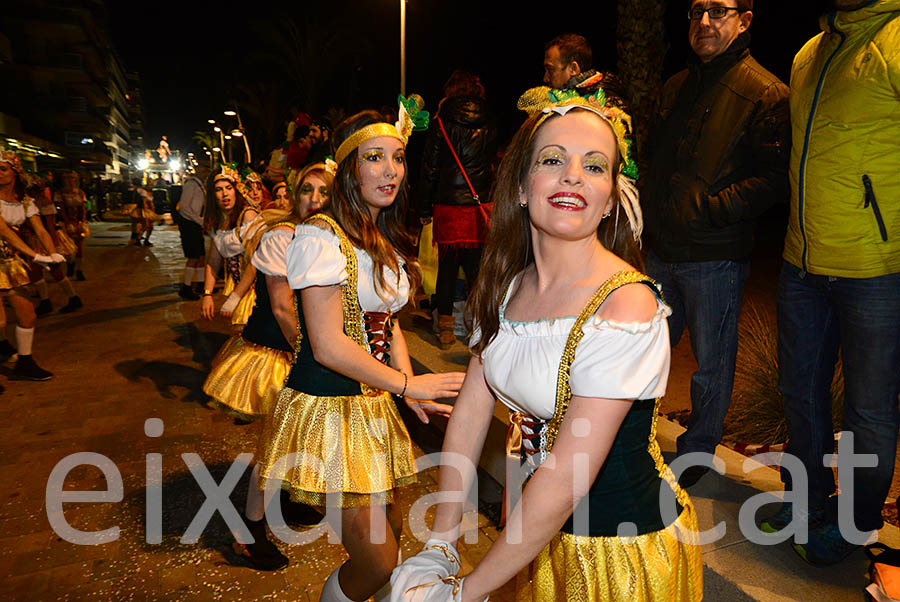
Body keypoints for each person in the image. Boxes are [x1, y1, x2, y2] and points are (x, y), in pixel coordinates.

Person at [392, 86, 702, 601]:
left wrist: (461, 594)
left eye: (595, 166)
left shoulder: (625, 305)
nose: (573, 175)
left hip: (616, 554)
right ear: (519, 186)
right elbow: (471, 412)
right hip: (535, 537)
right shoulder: (509, 286)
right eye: (553, 159)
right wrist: (442, 539)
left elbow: (564, 480)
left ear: (609, 200)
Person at [242, 106, 465, 599]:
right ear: (348, 169)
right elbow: (325, 345)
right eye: (375, 158)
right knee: (377, 560)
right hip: (328, 410)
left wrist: (409, 389)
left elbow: (390, 329)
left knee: (390, 546)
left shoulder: (382, 237)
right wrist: (408, 384)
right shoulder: (320, 236)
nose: (391, 170)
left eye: (399, 158)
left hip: (372, 406)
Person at [764, 0, 900, 566]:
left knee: (868, 410)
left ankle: (860, 525)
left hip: (875, 267)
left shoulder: (895, 40)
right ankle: (809, 504)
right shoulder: (807, 54)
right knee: (801, 394)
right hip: (802, 261)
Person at [640, 0, 790, 487]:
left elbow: (772, 179)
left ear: (745, 20)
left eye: (717, 11)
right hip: (660, 251)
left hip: (714, 257)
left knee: (712, 365)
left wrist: (711, 209)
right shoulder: (676, 87)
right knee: (644, 353)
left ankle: (697, 452)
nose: (703, 22)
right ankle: (632, 438)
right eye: (696, 11)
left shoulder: (766, 92)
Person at [204, 162, 333, 427]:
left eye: (325, 190)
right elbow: (282, 308)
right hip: (281, 345)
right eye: (307, 189)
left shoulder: (329, 234)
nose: (315, 198)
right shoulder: (282, 236)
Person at [416, 70, 498, 348]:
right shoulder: (489, 120)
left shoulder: (442, 121)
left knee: (447, 269)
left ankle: (446, 329)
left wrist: (424, 205)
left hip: (449, 204)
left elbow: (431, 166)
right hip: (478, 203)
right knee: (476, 269)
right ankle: (479, 326)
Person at [0, 151, 64, 380]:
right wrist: (35, 256)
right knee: (0, 321)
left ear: (15, 172)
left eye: (3, 169)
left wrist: (54, 253)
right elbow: (4, 232)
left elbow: (41, 229)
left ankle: (25, 363)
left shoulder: (24, 201)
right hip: (6, 258)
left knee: (28, 315)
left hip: (8, 263)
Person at [200, 166, 259, 327]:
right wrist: (207, 294)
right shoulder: (216, 222)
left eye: (228, 188)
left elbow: (256, 262)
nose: (225, 194)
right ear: (213, 195)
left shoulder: (248, 216)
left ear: (236, 190)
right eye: (219, 190)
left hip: (259, 290)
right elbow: (213, 261)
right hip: (240, 289)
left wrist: (234, 298)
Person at [28, 176, 81, 315]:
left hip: (44, 242)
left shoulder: (45, 204)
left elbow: (50, 227)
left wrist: (55, 248)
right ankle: (53, 300)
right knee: (37, 272)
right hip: (36, 241)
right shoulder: (30, 202)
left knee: (51, 271)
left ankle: (64, 299)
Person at [176, 166, 208, 300]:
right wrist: (199, 221)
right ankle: (186, 287)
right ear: (198, 171)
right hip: (190, 224)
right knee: (193, 257)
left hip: (195, 224)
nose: (206, 173)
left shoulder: (199, 185)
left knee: (201, 256)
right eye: (205, 170)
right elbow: (184, 207)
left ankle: (201, 285)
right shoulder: (191, 184)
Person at [55, 170, 89, 280]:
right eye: (67, 178)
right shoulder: (59, 193)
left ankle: (79, 269)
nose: (70, 181)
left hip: (78, 221)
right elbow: (61, 209)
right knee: (67, 246)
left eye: (72, 178)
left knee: (80, 246)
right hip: (65, 222)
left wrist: (82, 221)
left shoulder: (80, 193)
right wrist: (67, 222)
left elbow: (83, 208)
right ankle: (71, 264)